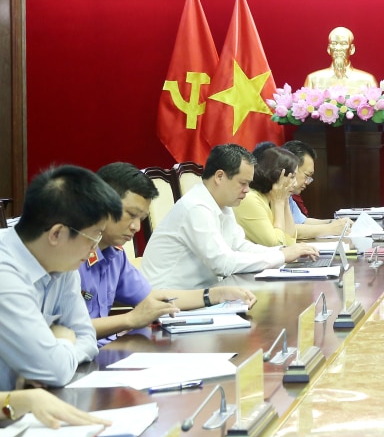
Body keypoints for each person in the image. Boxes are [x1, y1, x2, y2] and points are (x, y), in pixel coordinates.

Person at [81, 163, 256, 345]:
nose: (136, 227)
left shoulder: (115, 255)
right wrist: (129, 319)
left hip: (103, 349)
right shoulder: (70, 258)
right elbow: (65, 332)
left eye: (140, 219)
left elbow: (154, 297)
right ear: (102, 204)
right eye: (130, 215)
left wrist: (216, 295)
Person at [0, 166, 119, 390]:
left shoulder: (62, 264)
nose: (94, 249)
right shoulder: (5, 274)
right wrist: (63, 340)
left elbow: (87, 338)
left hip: (28, 405)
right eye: (92, 238)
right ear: (56, 234)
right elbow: (53, 370)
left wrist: (54, 351)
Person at [141, 144, 320, 289]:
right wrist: (282, 256)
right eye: (242, 183)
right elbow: (223, 263)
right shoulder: (196, 208)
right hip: (170, 305)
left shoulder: (222, 205)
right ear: (220, 177)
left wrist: (283, 252)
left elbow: (239, 245)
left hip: (204, 295)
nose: (247, 190)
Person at [281, 140, 351, 239]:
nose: (307, 182)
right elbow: (288, 230)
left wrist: (334, 223)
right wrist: (330, 229)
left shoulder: (288, 195)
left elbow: (302, 221)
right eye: (306, 176)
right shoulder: (274, 193)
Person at [235, 146, 300, 247]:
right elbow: (277, 244)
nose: (295, 184)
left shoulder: (271, 198)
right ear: (277, 175)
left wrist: (285, 201)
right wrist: (278, 203)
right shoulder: (249, 199)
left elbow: (291, 241)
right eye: (292, 177)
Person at [303, 26, 378, 90]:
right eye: (334, 44)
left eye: (343, 44)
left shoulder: (368, 81)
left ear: (352, 49)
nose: (338, 48)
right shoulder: (313, 80)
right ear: (329, 49)